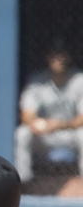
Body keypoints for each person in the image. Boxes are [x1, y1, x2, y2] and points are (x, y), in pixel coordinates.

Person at [14, 42, 83, 184]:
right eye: (55, 55)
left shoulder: (79, 80)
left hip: (70, 133)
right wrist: (36, 123)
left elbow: (81, 119)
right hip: (44, 135)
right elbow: (27, 114)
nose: (59, 59)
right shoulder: (38, 81)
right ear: (48, 57)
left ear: (69, 57)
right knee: (22, 133)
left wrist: (58, 125)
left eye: (62, 55)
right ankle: (24, 182)